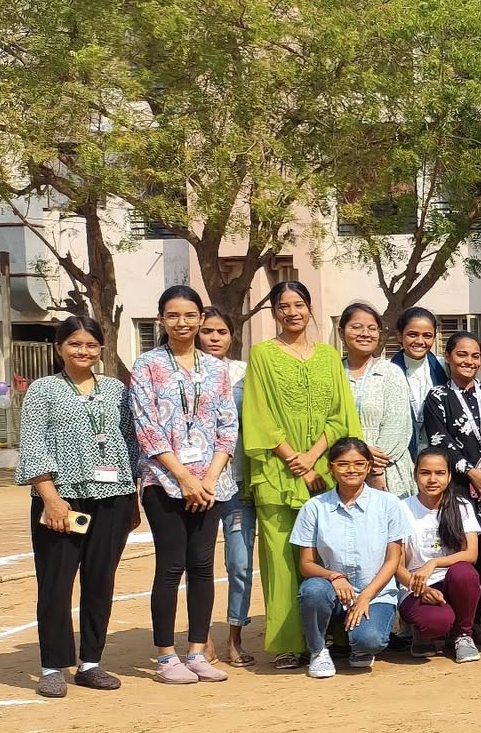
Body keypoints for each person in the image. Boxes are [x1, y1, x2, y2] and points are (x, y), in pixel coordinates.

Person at [18, 315, 140, 696]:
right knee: (56, 584)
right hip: (63, 500)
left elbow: (129, 442)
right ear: (59, 348)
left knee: (100, 581)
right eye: (74, 343)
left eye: (91, 344)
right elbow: (33, 445)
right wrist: (51, 498)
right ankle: (52, 666)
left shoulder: (116, 390)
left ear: (101, 349)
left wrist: (132, 497)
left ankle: (90, 663)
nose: (83, 351)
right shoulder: (43, 390)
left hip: (114, 498)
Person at [243, 280, 363, 666]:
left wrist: (312, 458)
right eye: (284, 306)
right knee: (281, 560)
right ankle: (289, 642)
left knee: (331, 553)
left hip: (324, 469)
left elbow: (341, 415)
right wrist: (293, 458)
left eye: (299, 304)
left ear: (310, 309)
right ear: (274, 311)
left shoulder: (329, 356)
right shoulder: (262, 355)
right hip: (277, 472)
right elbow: (259, 413)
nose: (292, 312)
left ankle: (337, 633)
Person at [129, 285, 239, 685]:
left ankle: (196, 652)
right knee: (171, 565)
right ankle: (165, 656)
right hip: (164, 481)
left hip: (210, 484)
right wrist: (183, 477)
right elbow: (146, 428)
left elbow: (228, 426)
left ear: (200, 319)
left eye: (190, 315)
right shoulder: (147, 365)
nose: (182, 323)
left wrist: (207, 479)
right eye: (173, 315)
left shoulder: (216, 369)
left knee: (203, 566)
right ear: (161, 318)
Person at [420, 330, 481, 636]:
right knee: (462, 552)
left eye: (475, 356)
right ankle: (453, 623)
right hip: (460, 487)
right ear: (448, 356)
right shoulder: (438, 397)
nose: (469, 361)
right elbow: (440, 440)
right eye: (462, 354)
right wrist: (472, 473)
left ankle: (474, 623)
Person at [291, 436, 409, 678]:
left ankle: (359, 645)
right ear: (330, 467)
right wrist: (334, 577)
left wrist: (365, 596)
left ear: (369, 466)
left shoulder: (389, 503)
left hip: (375, 593)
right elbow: (306, 564)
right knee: (313, 590)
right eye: (343, 464)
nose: (351, 470)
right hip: (335, 592)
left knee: (370, 640)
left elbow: (392, 560)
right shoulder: (314, 507)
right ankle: (318, 650)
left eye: (359, 463)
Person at [196, 307, 256, 666]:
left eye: (221, 331)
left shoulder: (245, 374)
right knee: (198, 563)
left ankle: (235, 636)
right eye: (207, 331)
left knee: (240, 563)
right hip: (195, 485)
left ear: (232, 336)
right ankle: (200, 638)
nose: (214, 337)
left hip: (237, 483)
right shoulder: (181, 372)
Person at [396, 448, 481, 661]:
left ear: (450, 475)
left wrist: (434, 563)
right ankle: (422, 631)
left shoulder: (461, 506)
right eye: (425, 473)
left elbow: (471, 554)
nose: (432, 479)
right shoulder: (401, 509)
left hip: (451, 582)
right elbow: (396, 565)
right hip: (415, 587)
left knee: (465, 573)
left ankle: (463, 635)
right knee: (437, 622)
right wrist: (421, 588)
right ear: (415, 475)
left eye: (440, 473)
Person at [340, 302, 412, 495]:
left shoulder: (391, 373)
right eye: (357, 327)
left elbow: (397, 425)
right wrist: (356, 455)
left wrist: (375, 468)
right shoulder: (333, 373)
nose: (365, 333)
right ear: (341, 332)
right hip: (343, 467)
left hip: (385, 469)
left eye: (372, 328)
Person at [389, 307, 447, 453]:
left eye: (427, 335)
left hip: (438, 455)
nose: (420, 341)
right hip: (400, 452)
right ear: (399, 336)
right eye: (412, 334)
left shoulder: (443, 367)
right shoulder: (388, 371)